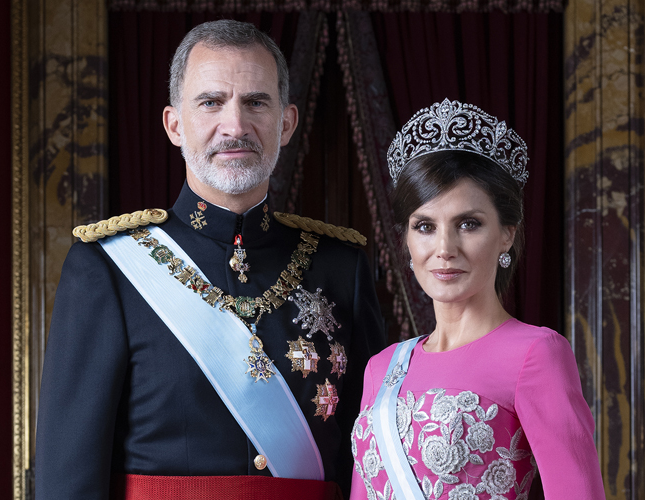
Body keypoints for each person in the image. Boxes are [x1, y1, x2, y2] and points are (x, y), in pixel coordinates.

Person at [35, 20, 385, 500]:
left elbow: (367, 458)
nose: (235, 126)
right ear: (174, 124)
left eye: (255, 102)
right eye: (211, 102)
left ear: (286, 123)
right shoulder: (109, 267)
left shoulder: (341, 267)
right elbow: (67, 479)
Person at [350, 100, 605, 500]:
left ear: (506, 234)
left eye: (468, 224)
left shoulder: (536, 354)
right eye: (425, 226)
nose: (445, 248)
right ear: (406, 239)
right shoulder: (380, 369)